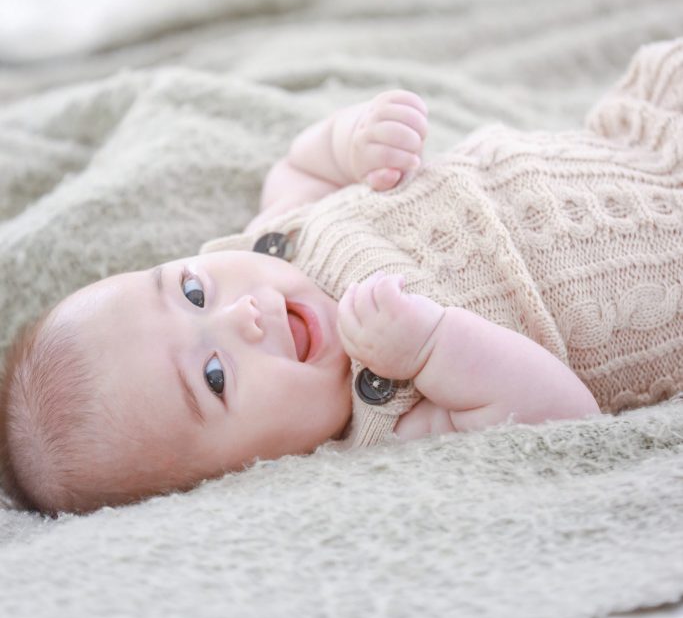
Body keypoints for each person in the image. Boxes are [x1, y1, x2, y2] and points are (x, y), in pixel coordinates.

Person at [1, 39, 681, 517]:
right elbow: (562, 417)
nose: (244, 317)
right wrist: (432, 347)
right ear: (243, 474)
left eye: (192, 291)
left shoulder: (279, 233)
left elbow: (299, 165)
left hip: (638, 139)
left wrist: (352, 139)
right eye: (214, 376)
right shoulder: (389, 419)